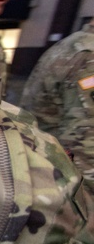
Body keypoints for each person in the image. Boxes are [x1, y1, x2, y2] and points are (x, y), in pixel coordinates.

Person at [19, 18, 94, 179]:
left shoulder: (77, 43)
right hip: (58, 180)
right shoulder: (88, 56)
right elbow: (85, 151)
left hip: (38, 167)